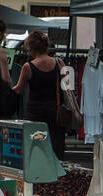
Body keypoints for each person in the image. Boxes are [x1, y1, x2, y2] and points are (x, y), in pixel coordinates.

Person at [11, 31, 65, 159]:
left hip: (35, 113)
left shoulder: (28, 67)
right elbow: (68, 87)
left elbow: (18, 89)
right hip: (55, 112)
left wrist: (4, 88)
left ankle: (38, 174)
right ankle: (55, 174)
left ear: (31, 48)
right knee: (55, 147)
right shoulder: (60, 63)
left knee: (36, 146)